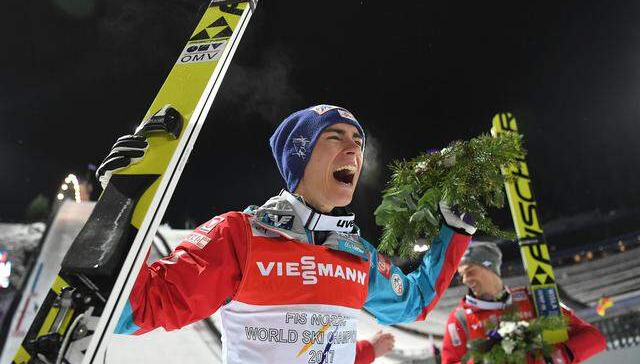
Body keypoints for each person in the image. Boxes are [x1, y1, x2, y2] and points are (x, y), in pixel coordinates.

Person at [99, 105, 476, 363]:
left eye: (358, 142)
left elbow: (414, 302)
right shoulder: (240, 237)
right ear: (301, 154)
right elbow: (136, 308)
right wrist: (122, 204)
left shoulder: (358, 254)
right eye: (335, 137)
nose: (354, 149)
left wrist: (454, 232)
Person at [441, 242, 606, 364]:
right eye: (461, 274)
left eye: (470, 272)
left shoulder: (532, 299)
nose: (465, 280)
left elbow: (595, 338)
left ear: (489, 268)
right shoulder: (460, 318)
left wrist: (558, 357)